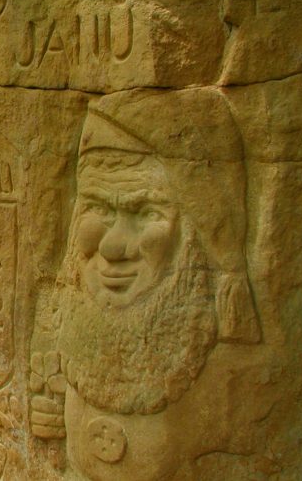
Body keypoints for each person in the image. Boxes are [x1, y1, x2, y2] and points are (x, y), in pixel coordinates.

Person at [30, 88, 261, 480]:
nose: (113, 246)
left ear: (197, 231)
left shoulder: (237, 374)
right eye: (98, 209)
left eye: (147, 212)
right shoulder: (58, 327)